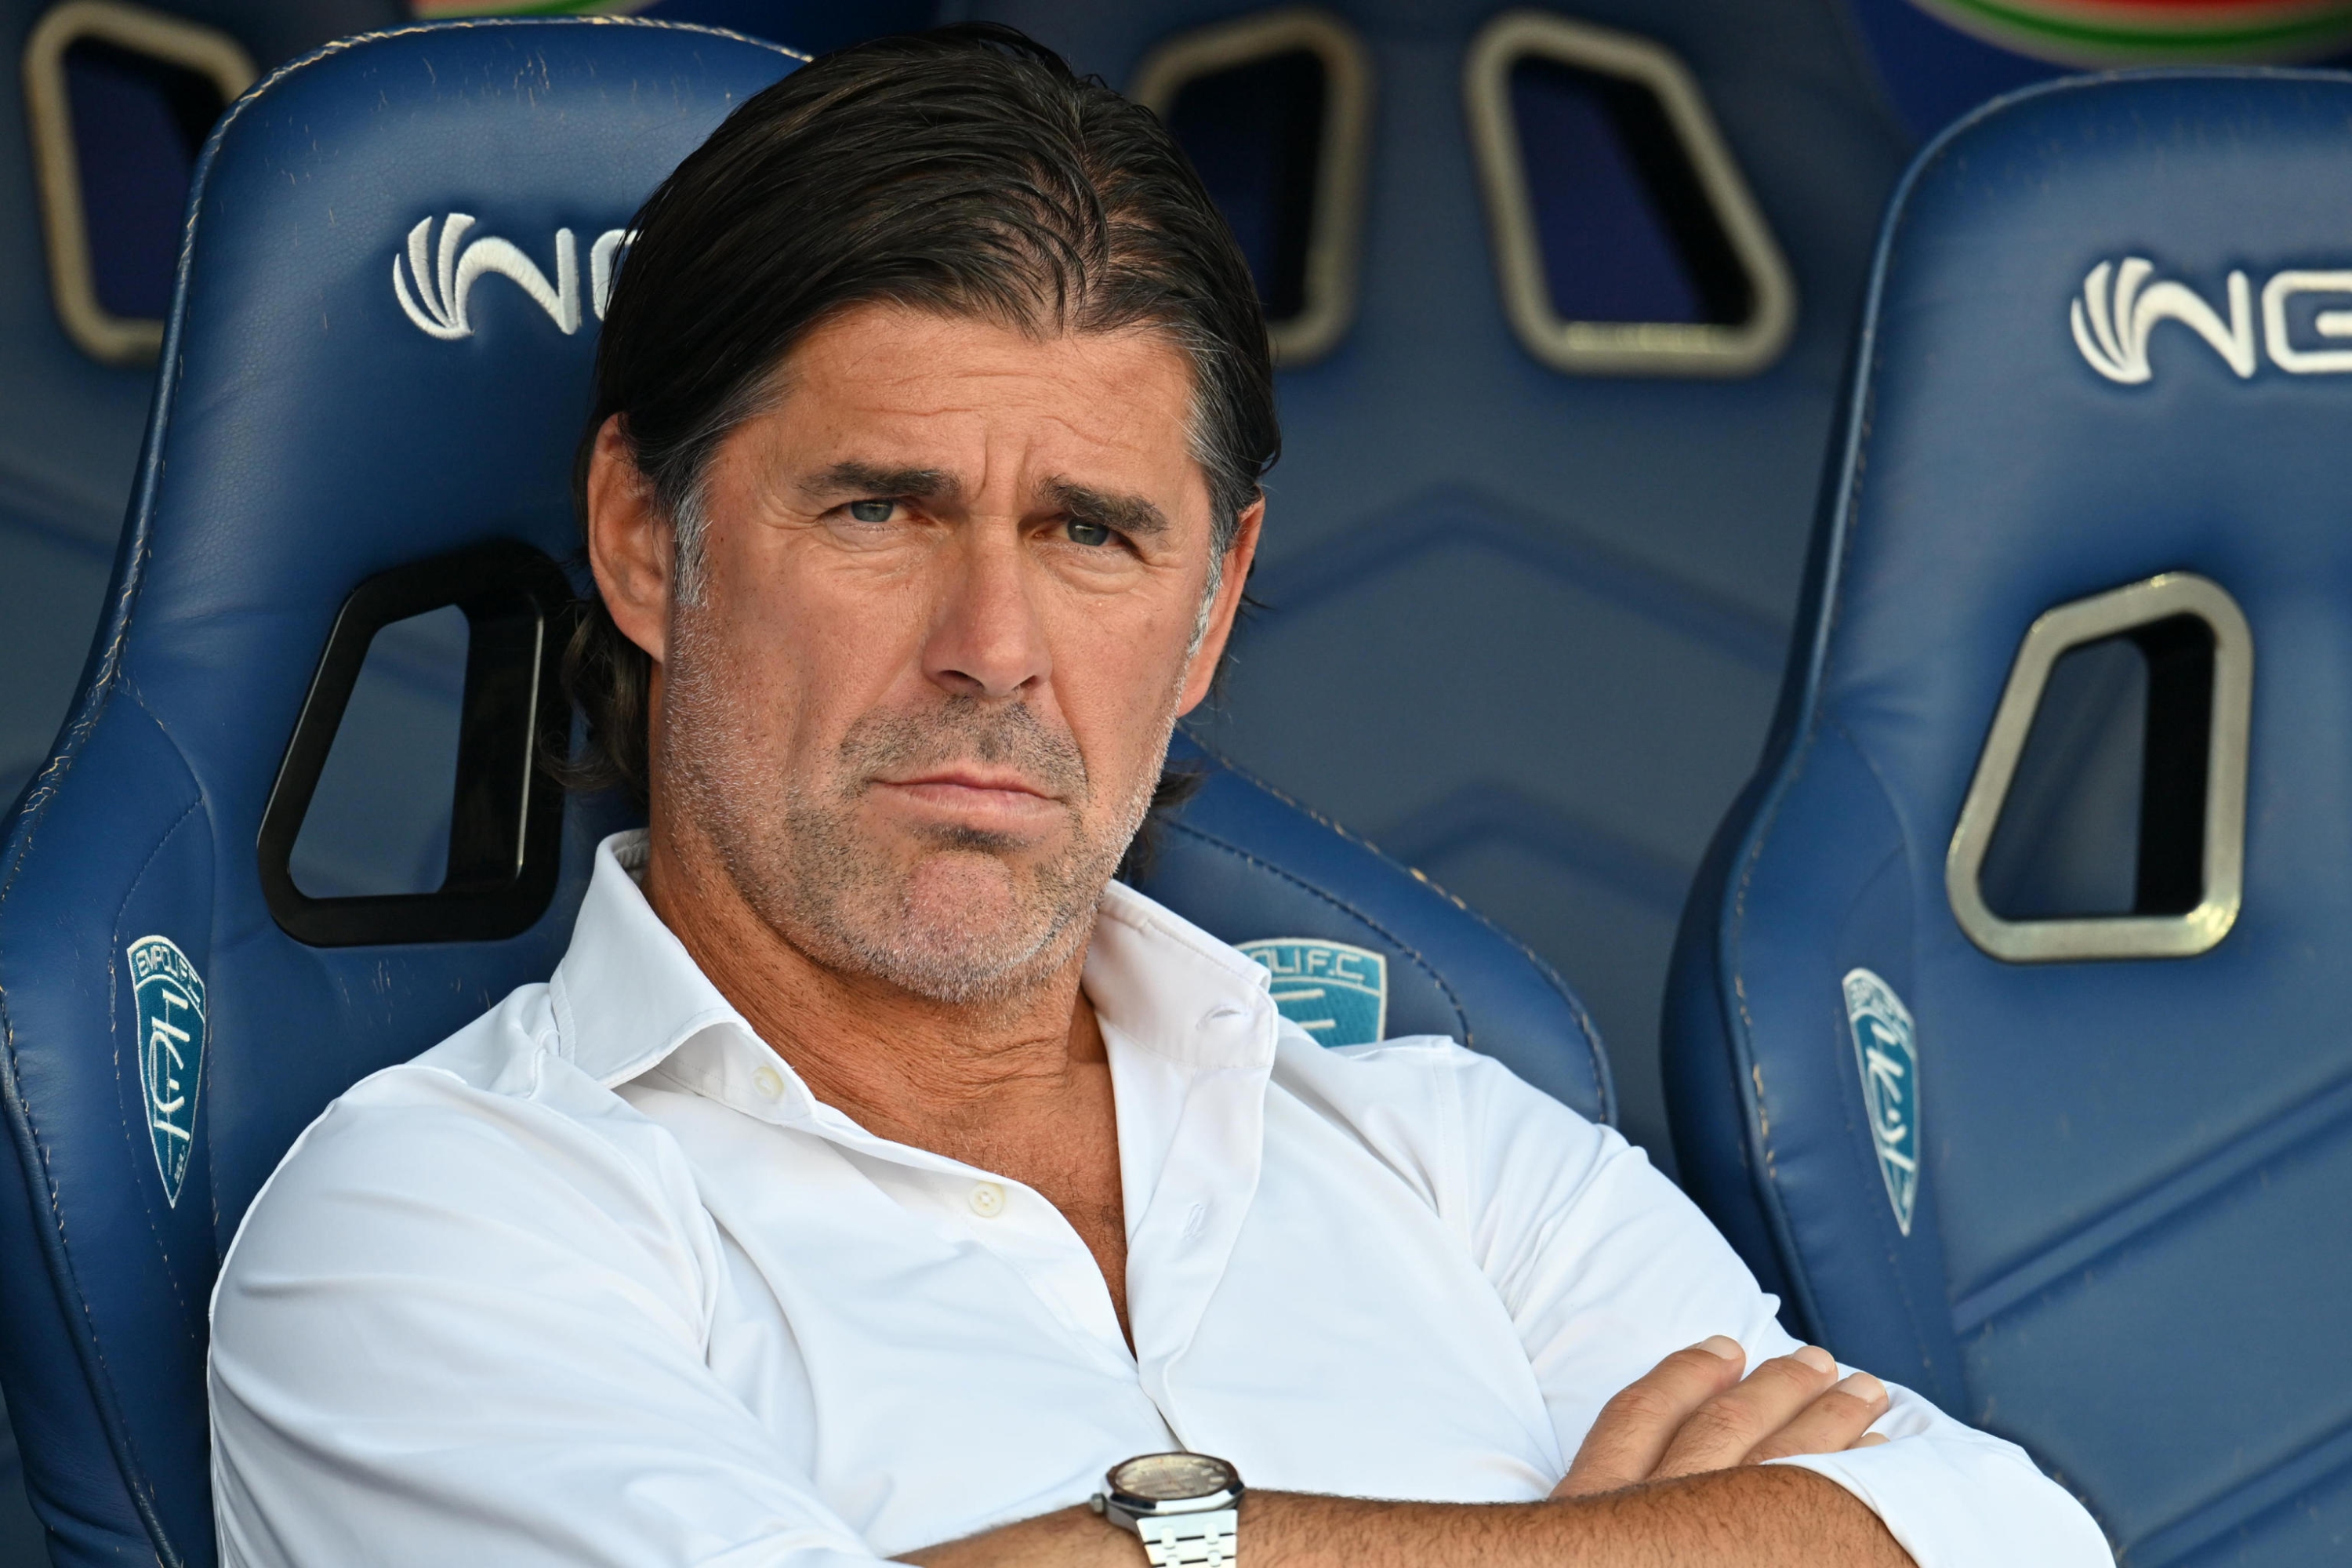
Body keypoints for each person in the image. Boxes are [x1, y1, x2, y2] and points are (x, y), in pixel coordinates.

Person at [207, 26, 2111, 1568]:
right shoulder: (433, 1221)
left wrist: (1156, 1547)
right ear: (646, 537)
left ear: (1208, 608)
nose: (994, 645)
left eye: (1095, 532)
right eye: (881, 508)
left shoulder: (1447, 1141)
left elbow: (2009, 1536)